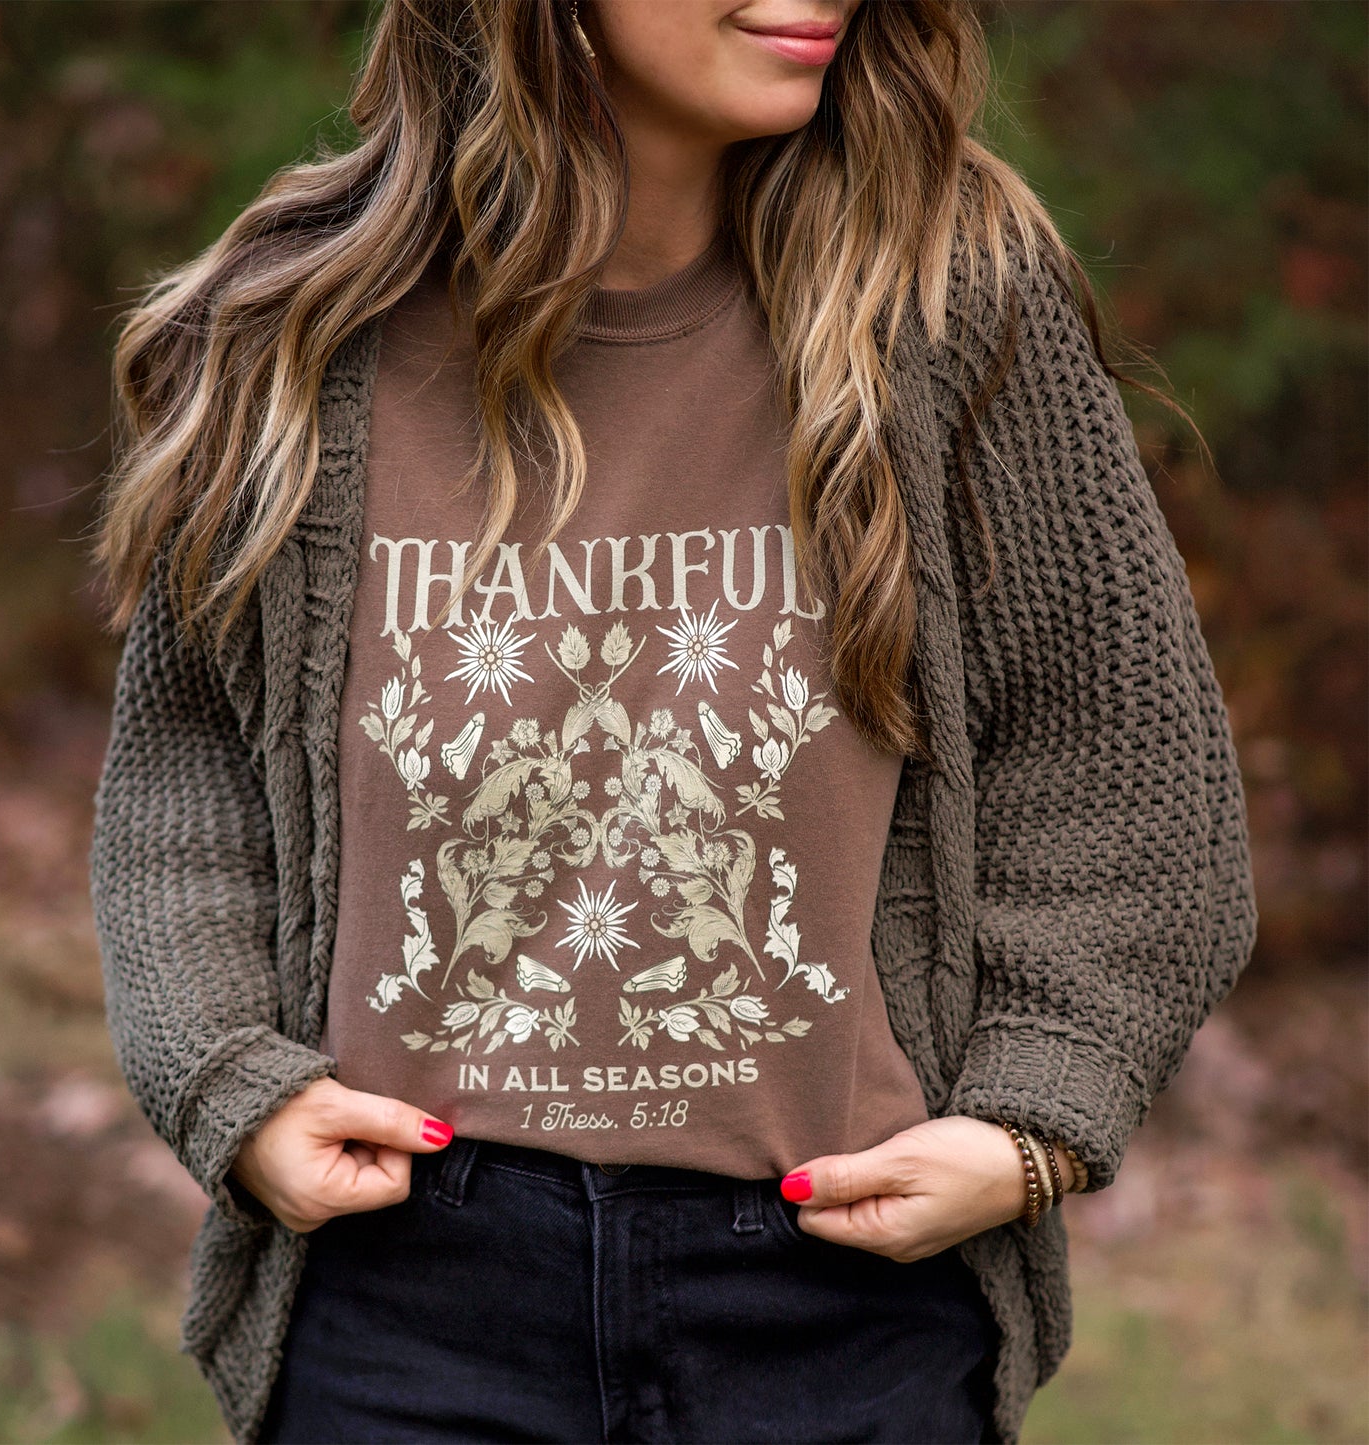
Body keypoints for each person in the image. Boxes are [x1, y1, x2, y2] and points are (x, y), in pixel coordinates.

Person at [86, 2, 1258, 1442]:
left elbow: (1123, 771)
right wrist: (228, 1081)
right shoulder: (291, 331)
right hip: (405, 1296)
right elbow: (186, 776)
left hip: (839, 1297)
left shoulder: (944, 305)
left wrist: (1030, 1121)